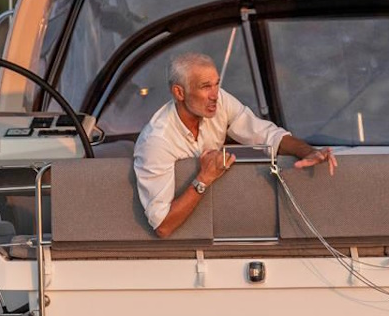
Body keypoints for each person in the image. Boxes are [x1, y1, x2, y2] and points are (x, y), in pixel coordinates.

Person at [134, 52, 336, 237]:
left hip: (224, 223)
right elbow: (163, 226)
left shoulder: (220, 101)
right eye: (205, 86)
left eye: (217, 84)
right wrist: (203, 179)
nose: (215, 95)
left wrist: (309, 151)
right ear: (179, 93)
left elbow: (266, 135)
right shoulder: (155, 142)